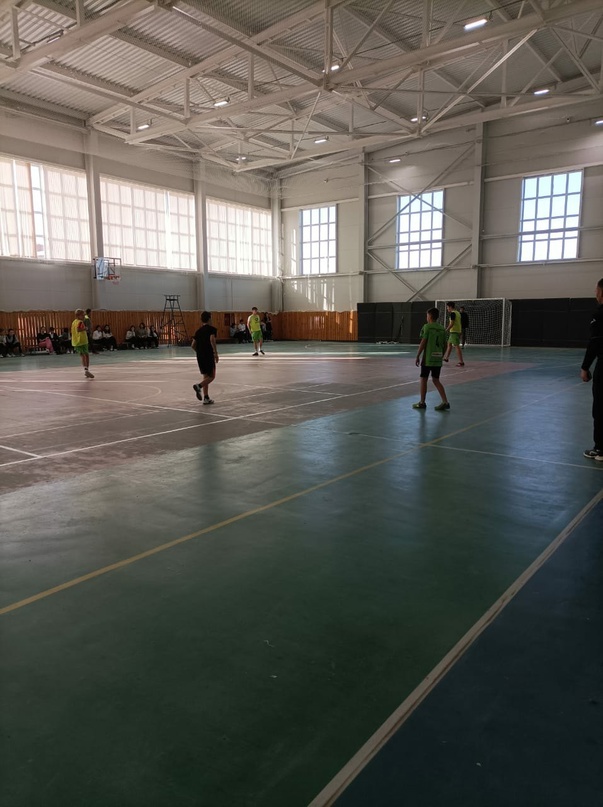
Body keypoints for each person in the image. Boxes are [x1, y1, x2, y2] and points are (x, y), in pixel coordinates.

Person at [581, 278, 603, 462]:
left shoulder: (600, 314)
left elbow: (594, 343)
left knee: (600, 408)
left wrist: (585, 367)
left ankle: (600, 449)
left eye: (596, 290)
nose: (595, 293)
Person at [413, 308, 450, 411]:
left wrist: (418, 355)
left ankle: (422, 402)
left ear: (429, 316)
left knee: (423, 379)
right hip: (437, 358)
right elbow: (445, 345)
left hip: (428, 358)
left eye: (427, 315)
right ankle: (445, 401)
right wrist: (441, 355)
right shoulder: (442, 329)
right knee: (436, 380)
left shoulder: (427, 327)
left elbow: (423, 342)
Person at [191, 311, 218, 405]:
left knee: (205, 376)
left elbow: (193, 345)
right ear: (209, 319)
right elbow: (212, 339)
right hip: (208, 355)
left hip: (200, 356)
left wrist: (199, 353)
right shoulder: (212, 329)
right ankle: (199, 386)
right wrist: (215, 353)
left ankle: (206, 398)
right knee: (212, 376)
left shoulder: (198, 331)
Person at [71, 308, 94, 378]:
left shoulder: (74, 322)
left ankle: (86, 369)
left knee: (84, 355)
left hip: (77, 341)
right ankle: (86, 370)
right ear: (78, 316)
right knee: (85, 355)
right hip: (81, 341)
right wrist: (85, 328)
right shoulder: (80, 322)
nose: (84, 316)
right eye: (82, 315)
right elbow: (78, 329)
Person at [443, 301, 464, 367]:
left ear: (450, 307)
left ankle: (461, 362)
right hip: (457, 331)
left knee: (456, 346)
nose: (447, 308)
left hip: (454, 331)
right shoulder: (458, 313)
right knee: (449, 344)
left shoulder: (453, 313)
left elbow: (451, 324)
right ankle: (446, 358)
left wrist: (446, 330)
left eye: (447, 307)